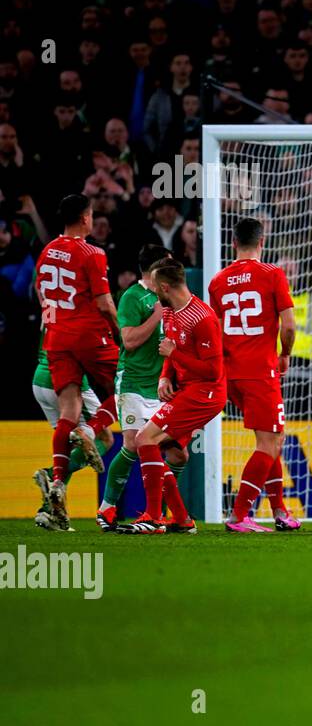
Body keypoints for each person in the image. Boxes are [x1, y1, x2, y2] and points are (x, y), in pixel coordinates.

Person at [115, 260, 225, 535]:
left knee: (144, 439)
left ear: (164, 286)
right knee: (175, 453)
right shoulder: (168, 310)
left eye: (154, 285)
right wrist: (165, 375)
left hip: (206, 393)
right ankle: (182, 519)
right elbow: (169, 349)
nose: (151, 290)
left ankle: (153, 516)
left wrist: (173, 355)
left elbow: (213, 371)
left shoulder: (203, 318)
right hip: (186, 389)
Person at [33, 193, 121, 530]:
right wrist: (118, 336)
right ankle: (93, 429)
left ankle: (56, 484)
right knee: (127, 382)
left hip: (55, 338)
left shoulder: (45, 252)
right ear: (85, 218)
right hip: (87, 335)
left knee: (68, 411)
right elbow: (103, 303)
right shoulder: (91, 252)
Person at [208, 218, 298, 532]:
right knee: (270, 441)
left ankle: (280, 510)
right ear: (262, 241)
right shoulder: (272, 274)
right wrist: (284, 354)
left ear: (234, 243)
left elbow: (214, 330)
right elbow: (288, 325)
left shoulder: (217, 281)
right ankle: (239, 515)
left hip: (231, 372)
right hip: (260, 370)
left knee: (271, 438)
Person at [96, 244, 189, 530]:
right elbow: (129, 341)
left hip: (161, 386)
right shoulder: (131, 297)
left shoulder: (169, 296)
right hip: (134, 381)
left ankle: (161, 511)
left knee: (178, 454)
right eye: (169, 264)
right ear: (158, 266)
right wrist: (156, 316)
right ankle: (107, 509)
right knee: (135, 444)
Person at [30, 342, 111, 530]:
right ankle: (50, 475)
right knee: (104, 438)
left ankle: (48, 512)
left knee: (69, 446)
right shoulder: (82, 314)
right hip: (66, 381)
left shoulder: (52, 312)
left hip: (40, 377)